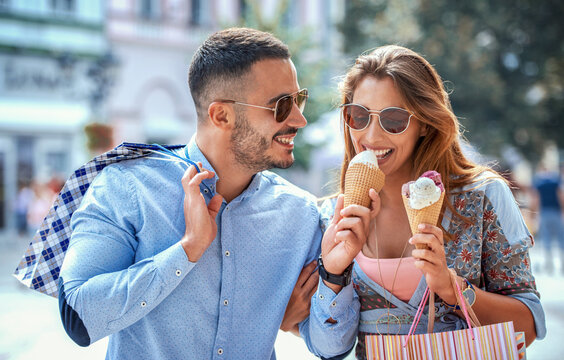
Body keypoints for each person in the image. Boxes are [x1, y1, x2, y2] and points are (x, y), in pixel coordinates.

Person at [58, 28, 322, 359]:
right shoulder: (126, 186)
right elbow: (78, 318)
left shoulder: (301, 212)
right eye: (282, 105)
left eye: (298, 100)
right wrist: (188, 250)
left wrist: (334, 277)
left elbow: (331, 345)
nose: (300, 119)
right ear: (221, 115)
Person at [301, 45, 546, 359]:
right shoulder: (332, 218)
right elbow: (329, 350)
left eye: (393, 119)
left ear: (426, 124)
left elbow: (529, 324)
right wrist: (334, 274)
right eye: (358, 116)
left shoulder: (485, 195)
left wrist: (452, 288)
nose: (371, 135)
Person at [531, 164, 564, 274]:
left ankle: (549, 266)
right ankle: (562, 265)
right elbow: (561, 196)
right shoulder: (555, 181)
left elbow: (536, 199)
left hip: (544, 213)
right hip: (556, 212)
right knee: (561, 239)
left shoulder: (539, 183)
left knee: (547, 239)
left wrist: (534, 214)